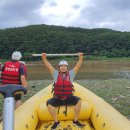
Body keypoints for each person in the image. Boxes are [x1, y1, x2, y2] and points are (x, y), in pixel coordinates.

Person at [42, 52, 85, 130]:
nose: (63, 67)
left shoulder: (71, 74)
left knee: (79, 100)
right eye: (61, 66)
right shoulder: (55, 74)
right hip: (57, 98)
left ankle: (75, 121)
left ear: (67, 67)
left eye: (65, 66)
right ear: (59, 67)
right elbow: (48, 66)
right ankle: (56, 122)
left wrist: (81, 58)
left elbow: (78, 65)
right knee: (48, 103)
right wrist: (44, 58)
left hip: (69, 97)